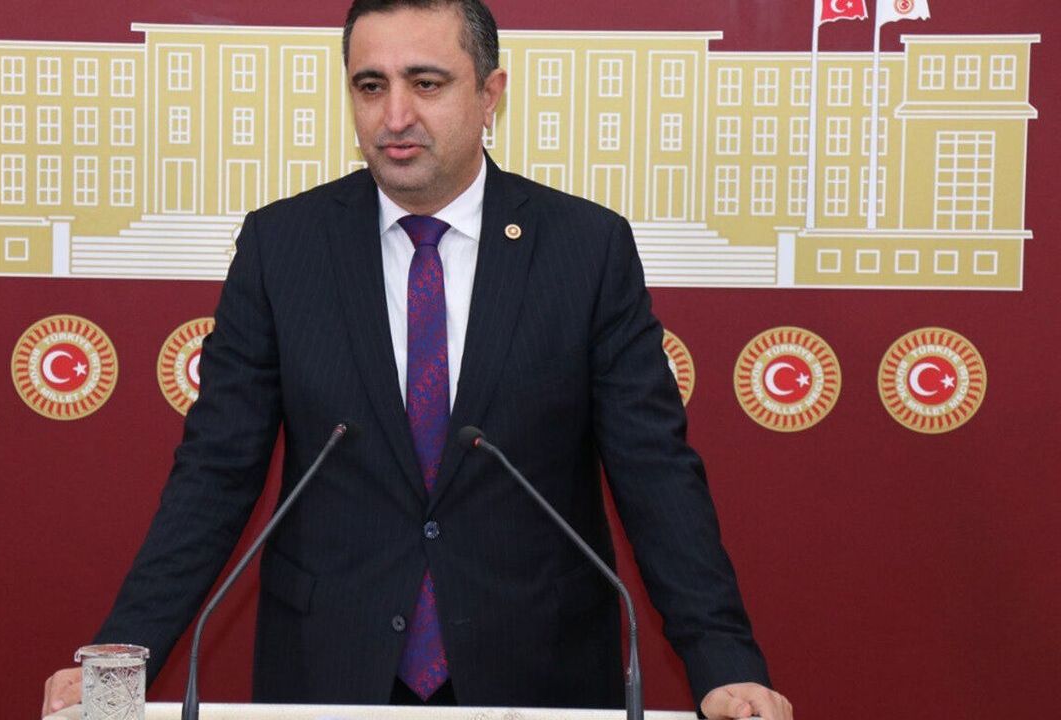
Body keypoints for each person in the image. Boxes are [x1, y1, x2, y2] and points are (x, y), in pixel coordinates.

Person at [43, 1, 793, 718]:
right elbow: (215, 470)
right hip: (332, 666)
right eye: (371, 86)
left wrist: (723, 662)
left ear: (490, 94)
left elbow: (654, 471)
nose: (395, 116)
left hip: (538, 668)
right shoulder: (284, 247)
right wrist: (123, 655)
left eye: (426, 84)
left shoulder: (585, 249)